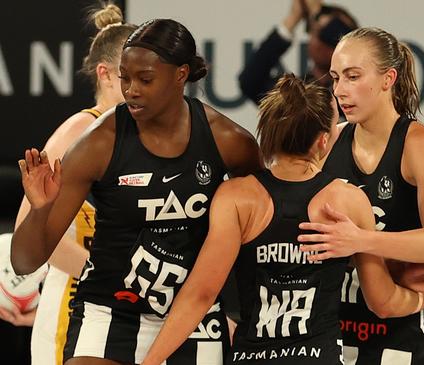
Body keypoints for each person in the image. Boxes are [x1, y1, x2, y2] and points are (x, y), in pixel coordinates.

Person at [141, 73, 424, 365]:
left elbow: (201, 294)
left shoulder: (236, 197)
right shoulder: (347, 200)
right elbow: (381, 301)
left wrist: (151, 361)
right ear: (323, 141)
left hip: (251, 355)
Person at [12, 18, 262, 365]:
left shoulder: (230, 142)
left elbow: (260, 236)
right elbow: (23, 261)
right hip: (110, 308)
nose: (131, 89)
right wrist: (40, 210)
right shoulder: (98, 142)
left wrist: (241, 312)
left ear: (180, 75)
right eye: (125, 78)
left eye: (145, 79)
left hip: (193, 317)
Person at [297, 27, 424, 365]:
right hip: (334, 331)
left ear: (388, 79)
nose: (340, 91)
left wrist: (361, 240)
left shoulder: (419, 144)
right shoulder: (332, 140)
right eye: (336, 77)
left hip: (398, 335)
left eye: (354, 77)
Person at [1, 5, 136, 364]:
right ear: (105, 74)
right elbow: (28, 231)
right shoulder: (77, 132)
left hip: (123, 308)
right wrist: (106, 278)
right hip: (74, 306)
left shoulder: (141, 137)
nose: (140, 84)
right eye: (130, 74)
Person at [238, 0, 357, 105]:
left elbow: (353, 44)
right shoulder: (300, 94)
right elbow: (251, 82)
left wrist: (317, 14)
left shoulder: (359, 87)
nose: (321, 39)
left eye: (328, 33)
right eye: (317, 32)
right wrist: (292, 19)